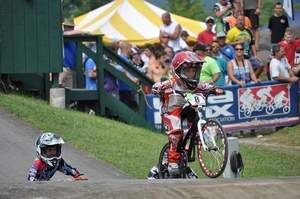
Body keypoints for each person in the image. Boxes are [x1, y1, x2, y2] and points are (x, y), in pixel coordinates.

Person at [151, 51, 223, 176]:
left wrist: (214, 89)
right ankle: (172, 161)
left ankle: (197, 138)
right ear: (178, 71)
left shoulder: (196, 84)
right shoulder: (172, 82)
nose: (191, 73)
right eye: (187, 71)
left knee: (195, 115)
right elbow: (158, 86)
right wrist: (157, 88)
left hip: (186, 108)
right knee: (176, 132)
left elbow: (205, 86)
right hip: (171, 110)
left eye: (193, 71)